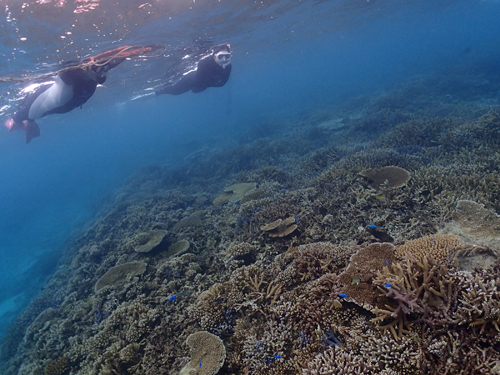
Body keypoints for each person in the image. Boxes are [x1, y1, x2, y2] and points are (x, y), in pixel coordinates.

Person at [4, 45, 162, 143]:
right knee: (22, 116)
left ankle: (92, 72)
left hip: (63, 101)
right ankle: (25, 126)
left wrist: (23, 127)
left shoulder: (28, 112)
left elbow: (11, 125)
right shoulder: (28, 111)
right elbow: (12, 124)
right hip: (57, 100)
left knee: (56, 96)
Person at [156, 43, 232, 96]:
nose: (224, 60)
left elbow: (222, 84)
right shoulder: (204, 62)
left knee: (194, 90)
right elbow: (200, 78)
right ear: (215, 56)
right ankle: (160, 91)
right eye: (220, 57)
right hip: (191, 80)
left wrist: (210, 83)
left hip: (201, 85)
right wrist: (213, 82)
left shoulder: (228, 67)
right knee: (176, 91)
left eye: (227, 57)